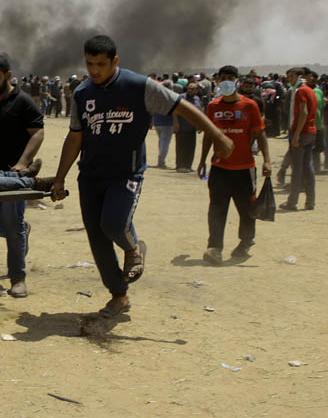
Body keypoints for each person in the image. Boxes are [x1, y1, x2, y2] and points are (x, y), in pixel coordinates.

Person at [49, 35, 232, 319]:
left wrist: (217, 135)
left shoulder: (139, 87)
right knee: (97, 240)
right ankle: (119, 296)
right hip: (90, 176)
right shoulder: (82, 93)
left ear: (115, 61)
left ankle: (134, 247)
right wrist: (60, 177)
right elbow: (75, 137)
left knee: (113, 223)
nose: (94, 70)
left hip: (125, 173)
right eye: (89, 64)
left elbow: (183, 108)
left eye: (101, 64)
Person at [0, 53, 45, 298]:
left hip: (12, 176)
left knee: (12, 227)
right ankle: (23, 232)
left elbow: (37, 133)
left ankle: (18, 278)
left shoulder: (23, 102)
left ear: (7, 75)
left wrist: (23, 162)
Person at [198, 66, 271, 263]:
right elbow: (208, 135)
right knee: (216, 208)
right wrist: (203, 160)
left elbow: (260, 134)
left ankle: (246, 242)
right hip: (219, 168)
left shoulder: (250, 106)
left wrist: (267, 161)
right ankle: (215, 247)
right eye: (223, 78)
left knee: (247, 209)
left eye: (230, 78)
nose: (227, 81)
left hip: (244, 169)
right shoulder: (213, 106)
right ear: (218, 81)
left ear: (237, 81)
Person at [282, 66, 318, 211]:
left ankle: (292, 202)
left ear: (298, 76)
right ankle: (310, 201)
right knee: (308, 168)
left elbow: (303, 112)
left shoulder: (301, 91)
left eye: (290, 77)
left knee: (297, 169)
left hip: (301, 132)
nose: (289, 80)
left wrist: (296, 134)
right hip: (310, 132)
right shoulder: (310, 90)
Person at [173, 81, 202, 172]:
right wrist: (176, 123)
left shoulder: (197, 99)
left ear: (197, 90)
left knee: (191, 147)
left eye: (192, 89)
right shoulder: (181, 97)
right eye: (189, 88)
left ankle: (188, 165)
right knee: (181, 146)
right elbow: (174, 111)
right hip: (182, 127)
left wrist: (199, 125)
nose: (190, 90)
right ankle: (180, 165)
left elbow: (199, 113)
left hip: (192, 128)